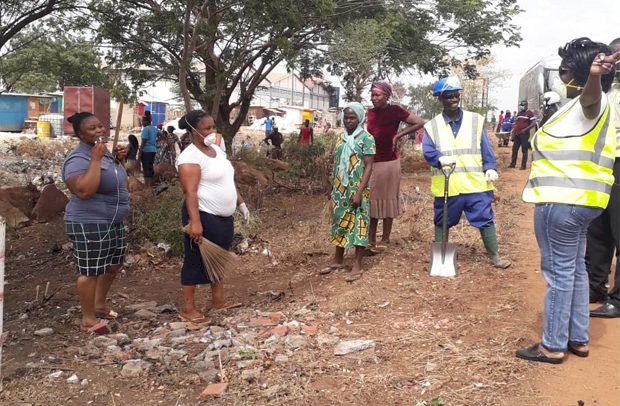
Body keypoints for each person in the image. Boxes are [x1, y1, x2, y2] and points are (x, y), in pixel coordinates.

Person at [516, 38, 619, 364]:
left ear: (575, 73)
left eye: (566, 69)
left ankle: (552, 345)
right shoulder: (579, 107)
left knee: (559, 274)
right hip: (581, 201)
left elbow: (591, 95)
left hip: (560, 201)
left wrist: (592, 76)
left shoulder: (593, 101)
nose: (561, 75)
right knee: (574, 271)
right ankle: (577, 338)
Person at [422, 76, 511, 269]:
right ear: (440, 99)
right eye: (448, 96)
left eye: (456, 96)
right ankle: (440, 261)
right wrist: (438, 159)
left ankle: (495, 256)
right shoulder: (432, 126)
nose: (453, 99)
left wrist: (490, 168)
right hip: (448, 185)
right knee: (442, 220)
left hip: (475, 183)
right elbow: (428, 151)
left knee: (485, 218)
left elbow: (485, 148)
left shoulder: (475, 121)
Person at [176, 109, 250, 323]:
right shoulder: (189, 157)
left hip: (223, 218)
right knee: (194, 261)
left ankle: (218, 301)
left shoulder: (217, 151)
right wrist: (195, 223)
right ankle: (188, 309)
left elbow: (228, 181)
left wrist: (241, 203)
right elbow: (190, 192)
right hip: (203, 215)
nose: (211, 132)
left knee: (218, 258)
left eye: (212, 127)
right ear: (193, 131)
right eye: (206, 129)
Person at [62, 112, 129, 334]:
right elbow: (83, 190)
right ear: (80, 134)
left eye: (101, 126)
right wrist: (96, 159)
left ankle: (99, 305)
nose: (99, 130)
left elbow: (113, 180)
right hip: (90, 222)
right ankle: (88, 318)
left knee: (113, 265)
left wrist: (118, 161)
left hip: (113, 222)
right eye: (92, 128)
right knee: (91, 271)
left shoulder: (105, 153)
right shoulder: (78, 159)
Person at [366, 79, 425, 251]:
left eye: (377, 95)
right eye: (372, 95)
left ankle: (385, 239)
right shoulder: (369, 114)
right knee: (372, 202)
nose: (374, 98)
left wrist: (398, 135)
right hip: (371, 163)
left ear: (386, 96)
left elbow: (420, 122)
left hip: (390, 162)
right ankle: (370, 240)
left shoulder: (395, 111)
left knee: (389, 200)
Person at [320, 102, 375, 282]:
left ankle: (357, 265)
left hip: (357, 189)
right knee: (339, 221)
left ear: (360, 118)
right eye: (346, 117)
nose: (349, 121)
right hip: (340, 189)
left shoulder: (366, 138)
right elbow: (337, 163)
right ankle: (338, 259)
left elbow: (368, 167)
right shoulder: (341, 138)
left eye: (353, 118)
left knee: (359, 223)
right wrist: (333, 187)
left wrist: (359, 191)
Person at [587, 37, 620, 318]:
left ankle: (618, 299)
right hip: (602, 163)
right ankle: (595, 286)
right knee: (597, 229)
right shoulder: (605, 87)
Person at [509, 100, 537, 169]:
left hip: (524, 134)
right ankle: (513, 164)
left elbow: (533, 123)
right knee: (514, 149)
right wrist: (513, 134)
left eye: (522, 105)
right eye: (520, 105)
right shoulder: (519, 113)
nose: (521, 107)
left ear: (526, 106)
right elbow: (516, 124)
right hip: (517, 134)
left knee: (524, 150)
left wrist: (525, 129)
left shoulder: (530, 113)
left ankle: (523, 166)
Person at [139, 112, 158, 187]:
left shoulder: (146, 129)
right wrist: (155, 141)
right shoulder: (154, 128)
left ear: (146, 121)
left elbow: (144, 141)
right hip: (153, 150)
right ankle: (150, 185)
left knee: (146, 168)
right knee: (150, 167)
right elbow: (163, 135)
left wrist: (140, 151)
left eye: (142, 121)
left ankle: (147, 186)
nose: (142, 123)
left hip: (146, 151)